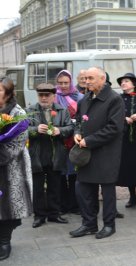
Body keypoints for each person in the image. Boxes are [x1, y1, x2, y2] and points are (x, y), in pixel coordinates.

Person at [69, 67, 125, 239]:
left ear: (103, 79)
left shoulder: (114, 99)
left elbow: (114, 128)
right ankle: (89, 224)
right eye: (85, 78)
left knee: (107, 192)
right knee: (83, 189)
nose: (87, 82)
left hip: (106, 153)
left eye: (91, 78)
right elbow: (78, 120)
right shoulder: (84, 99)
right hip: (86, 154)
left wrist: (89, 140)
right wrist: (77, 133)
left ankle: (109, 225)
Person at [26, 83, 74, 228]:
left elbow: (70, 128)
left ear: (54, 96)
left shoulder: (62, 110)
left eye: (47, 95)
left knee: (55, 185)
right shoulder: (30, 110)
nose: (44, 98)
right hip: (37, 154)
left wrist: (59, 130)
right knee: (38, 187)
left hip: (56, 154)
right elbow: (21, 130)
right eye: (41, 95)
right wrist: (35, 129)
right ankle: (39, 216)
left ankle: (54, 214)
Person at [0, 77, 33, 261]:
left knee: (8, 208)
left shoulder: (17, 113)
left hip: (11, 169)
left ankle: (5, 241)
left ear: (9, 93)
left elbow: (16, 145)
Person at [116, 73, 136, 208]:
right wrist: (124, 119)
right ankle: (132, 196)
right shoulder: (118, 99)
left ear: (134, 84)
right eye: (122, 82)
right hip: (125, 139)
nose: (123, 84)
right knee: (129, 167)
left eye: (126, 81)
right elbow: (114, 115)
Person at [54, 70, 84, 215]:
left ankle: (75, 205)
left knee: (74, 174)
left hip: (75, 140)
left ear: (71, 82)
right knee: (60, 173)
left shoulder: (79, 97)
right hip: (58, 140)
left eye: (66, 83)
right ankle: (63, 205)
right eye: (60, 83)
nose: (63, 86)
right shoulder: (53, 97)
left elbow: (84, 117)